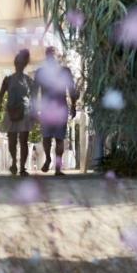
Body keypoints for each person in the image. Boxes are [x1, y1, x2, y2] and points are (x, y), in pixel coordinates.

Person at [35, 46, 77, 176]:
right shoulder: (43, 72)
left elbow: (71, 90)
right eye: (50, 55)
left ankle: (56, 166)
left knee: (55, 138)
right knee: (50, 138)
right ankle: (50, 160)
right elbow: (35, 91)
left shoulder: (63, 71)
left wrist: (74, 105)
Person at [0, 49, 35, 176]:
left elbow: (33, 97)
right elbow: (0, 95)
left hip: (25, 112)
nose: (19, 64)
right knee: (12, 141)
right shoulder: (8, 79)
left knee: (23, 140)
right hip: (11, 112)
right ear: (15, 63)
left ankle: (22, 167)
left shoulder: (29, 80)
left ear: (24, 64)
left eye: (22, 62)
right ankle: (14, 162)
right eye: (17, 62)